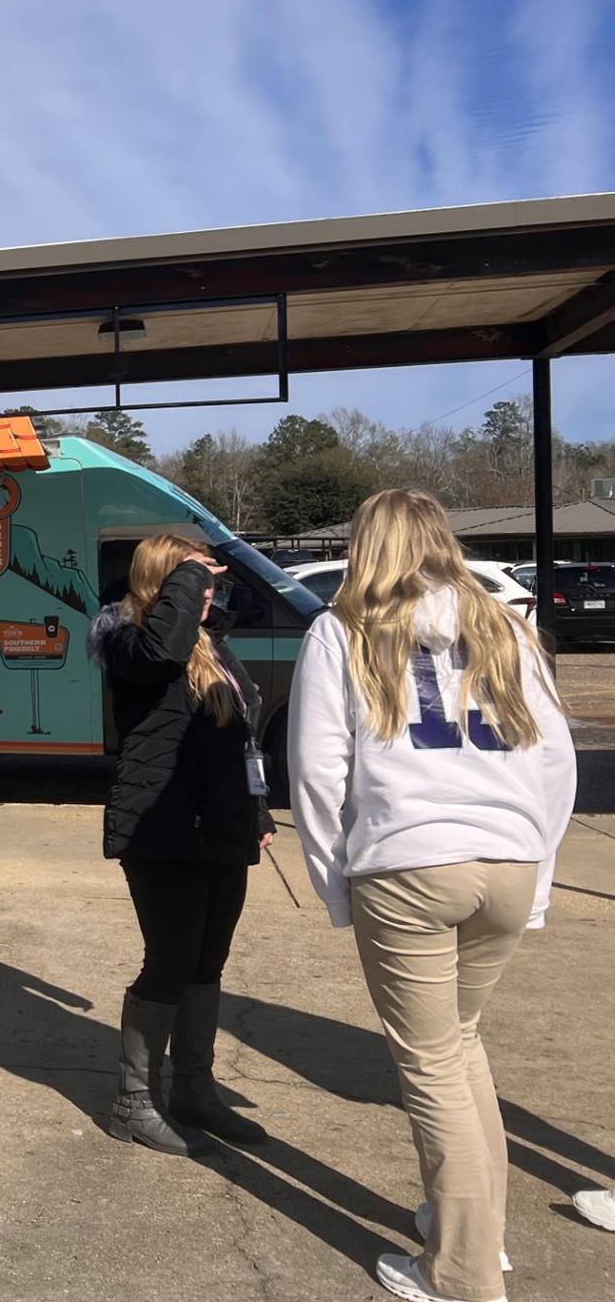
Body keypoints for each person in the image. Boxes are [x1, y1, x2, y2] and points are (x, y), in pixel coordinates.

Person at [289, 490, 575, 1302]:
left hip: (409, 865)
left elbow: (315, 773)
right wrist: (541, 873)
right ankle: (483, 1235)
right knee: (462, 1042)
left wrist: (334, 883)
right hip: (510, 860)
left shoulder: (341, 628)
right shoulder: (508, 626)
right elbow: (557, 763)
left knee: (429, 1065)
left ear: (365, 545)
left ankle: (461, 1272)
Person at [89, 534, 274, 1158]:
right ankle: (134, 1102)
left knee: (207, 962)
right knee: (169, 960)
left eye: (211, 581)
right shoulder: (127, 640)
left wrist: (256, 810)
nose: (209, 592)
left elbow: (238, 735)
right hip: (161, 830)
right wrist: (186, 581)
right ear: (165, 585)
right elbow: (159, 650)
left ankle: (194, 1088)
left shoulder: (212, 646)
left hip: (223, 827)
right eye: (196, 581)